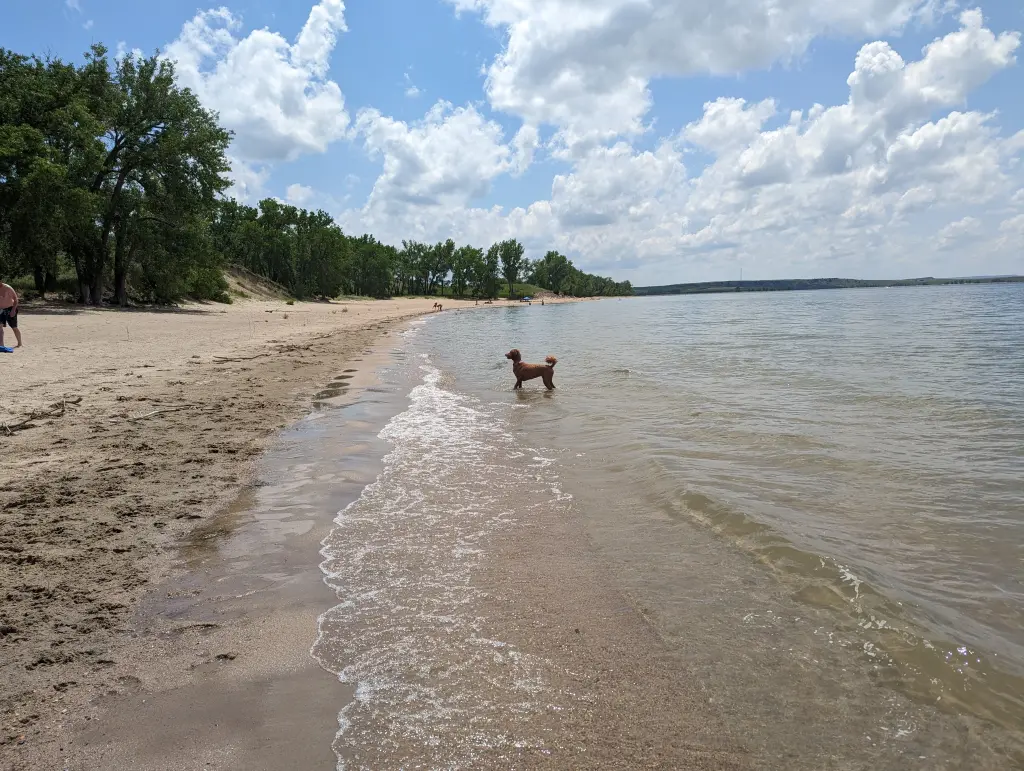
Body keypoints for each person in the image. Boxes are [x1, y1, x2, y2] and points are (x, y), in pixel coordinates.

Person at [0, 281, 23, 348]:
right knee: (0, 327)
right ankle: (1, 345)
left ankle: (19, 343)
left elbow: (16, 300)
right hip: (0, 310)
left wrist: (13, 310)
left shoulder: (8, 288)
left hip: (10, 308)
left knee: (14, 327)